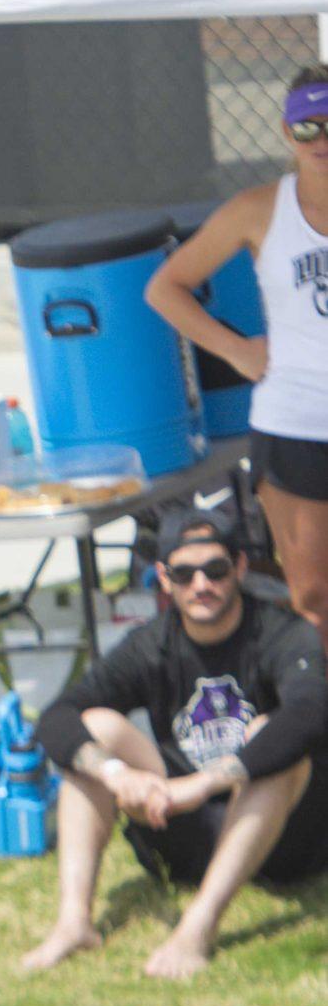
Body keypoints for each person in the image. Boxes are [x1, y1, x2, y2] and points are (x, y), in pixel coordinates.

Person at [26, 501, 328, 980]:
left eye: (215, 569)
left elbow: (313, 713)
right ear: (164, 579)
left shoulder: (280, 632)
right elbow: (57, 716)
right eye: (184, 574)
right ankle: (73, 921)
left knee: (270, 736)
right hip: (180, 825)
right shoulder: (152, 643)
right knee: (96, 727)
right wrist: (117, 773)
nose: (201, 585)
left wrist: (208, 782)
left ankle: (197, 928)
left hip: (280, 840)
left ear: (240, 568)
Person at [148, 66, 328, 655]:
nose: (320, 140)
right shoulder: (258, 209)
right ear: (285, 133)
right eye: (307, 128)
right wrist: (236, 349)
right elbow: (165, 287)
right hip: (295, 422)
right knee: (314, 595)